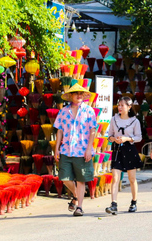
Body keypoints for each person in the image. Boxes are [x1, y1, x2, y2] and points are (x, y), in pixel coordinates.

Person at [53, 83, 97, 217]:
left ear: (84, 96)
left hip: (82, 150)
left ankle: (79, 207)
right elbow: (59, 131)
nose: (79, 95)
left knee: (81, 179)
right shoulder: (63, 111)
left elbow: (93, 131)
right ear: (70, 96)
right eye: (76, 93)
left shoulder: (89, 111)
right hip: (66, 150)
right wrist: (56, 149)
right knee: (65, 178)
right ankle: (77, 196)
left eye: (81, 93)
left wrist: (89, 149)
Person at [105, 97, 143, 215]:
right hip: (117, 150)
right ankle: (114, 204)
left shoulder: (135, 121)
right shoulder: (114, 119)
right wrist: (113, 139)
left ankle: (134, 202)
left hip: (130, 149)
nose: (120, 107)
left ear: (129, 107)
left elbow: (139, 137)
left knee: (132, 179)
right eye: (119, 105)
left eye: (122, 105)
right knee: (115, 178)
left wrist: (127, 138)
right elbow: (109, 134)